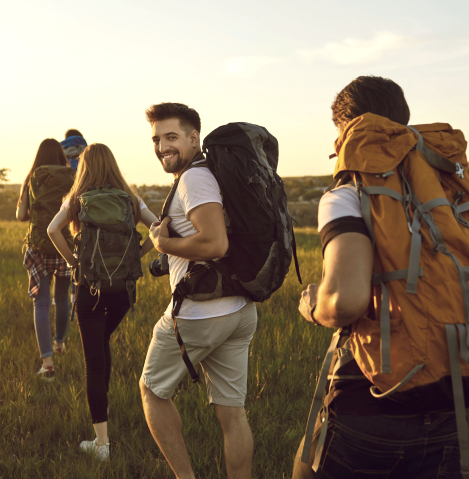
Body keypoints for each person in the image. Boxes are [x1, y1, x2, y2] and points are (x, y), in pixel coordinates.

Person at [293, 76, 469, 478]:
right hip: (458, 403)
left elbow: (346, 301)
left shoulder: (348, 191)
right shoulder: (455, 188)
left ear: (347, 132)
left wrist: (312, 303)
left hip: (373, 402)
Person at [139, 102, 257, 479]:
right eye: (156, 139)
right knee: (232, 411)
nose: (161, 147)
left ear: (194, 138)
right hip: (238, 309)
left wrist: (163, 245)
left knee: (152, 391)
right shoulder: (211, 174)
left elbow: (215, 244)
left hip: (200, 313)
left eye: (171, 137)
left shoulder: (195, 179)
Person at [47, 143, 158, 462]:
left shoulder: (77, 198)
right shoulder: (129, 198)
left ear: (84, 168)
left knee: (93, 359)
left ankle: (102, 444)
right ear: (113, 165)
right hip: (123, 289)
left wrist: (72, 262)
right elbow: (159, 226)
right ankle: (103, 412)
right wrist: (138, 254)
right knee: (102, 342)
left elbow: (52, 229)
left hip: (89, 288)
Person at [16, 139, 73, 380]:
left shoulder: (32, 178)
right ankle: (60, 343)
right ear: (61, 156)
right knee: (61, 299)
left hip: (39, 246)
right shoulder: (72, 177)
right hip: (64, 245)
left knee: (40, 303)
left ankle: (47, 363)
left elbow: (20, 216)